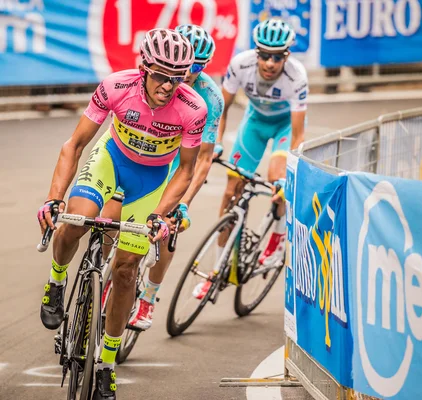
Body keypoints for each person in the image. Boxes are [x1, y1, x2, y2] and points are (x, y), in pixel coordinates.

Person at [36, 28, 212, 400]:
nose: (169, 85)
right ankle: (56, 281)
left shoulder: (194, 107)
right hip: (110, 162)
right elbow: (76, 144)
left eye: (177, 77)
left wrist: (161, 215)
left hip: (149, 183)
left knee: (127, 269)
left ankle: (106, 364)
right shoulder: (117, 87)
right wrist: (54, 198)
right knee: (73, 224)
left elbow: (185, 170)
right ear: (144, 67)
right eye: (161, 75)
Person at [99, 24, 223, 331]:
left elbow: (202, 160)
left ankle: (148, 298)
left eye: (198, 67)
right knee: (109, 217)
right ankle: (98, 275)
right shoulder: (151, 79)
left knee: (170, 227)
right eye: (188, 64)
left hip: (179, 160)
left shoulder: (208, 98)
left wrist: (184, 204)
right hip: (144, 150)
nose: (189, 72)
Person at [192, 18, 308, 299]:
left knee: (275, 178)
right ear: (256, 53)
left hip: (284, 127)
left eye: (277, 56)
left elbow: (297, 136)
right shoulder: (240, 65)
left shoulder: (297, 77)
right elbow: (220, 109)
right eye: (265, 55)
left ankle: (277, 240)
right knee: (231, 190)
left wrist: (288, 176)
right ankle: (218, 271)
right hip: (254, 123)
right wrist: (216, 143)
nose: (270, 63)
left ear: (286, 56)